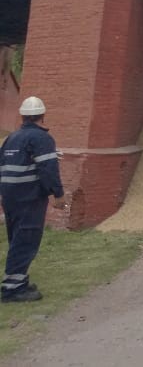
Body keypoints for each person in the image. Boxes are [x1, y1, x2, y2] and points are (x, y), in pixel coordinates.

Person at [0, 96, 65, 303]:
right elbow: (48, 169)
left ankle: (19, 280)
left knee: (17, 239)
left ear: (22, 116)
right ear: (42, 116)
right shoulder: (42, 139)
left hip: (10, 198)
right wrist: (58, 194)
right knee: (26, 241)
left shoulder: (12, 138)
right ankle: (13, 289)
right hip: (29, 197)